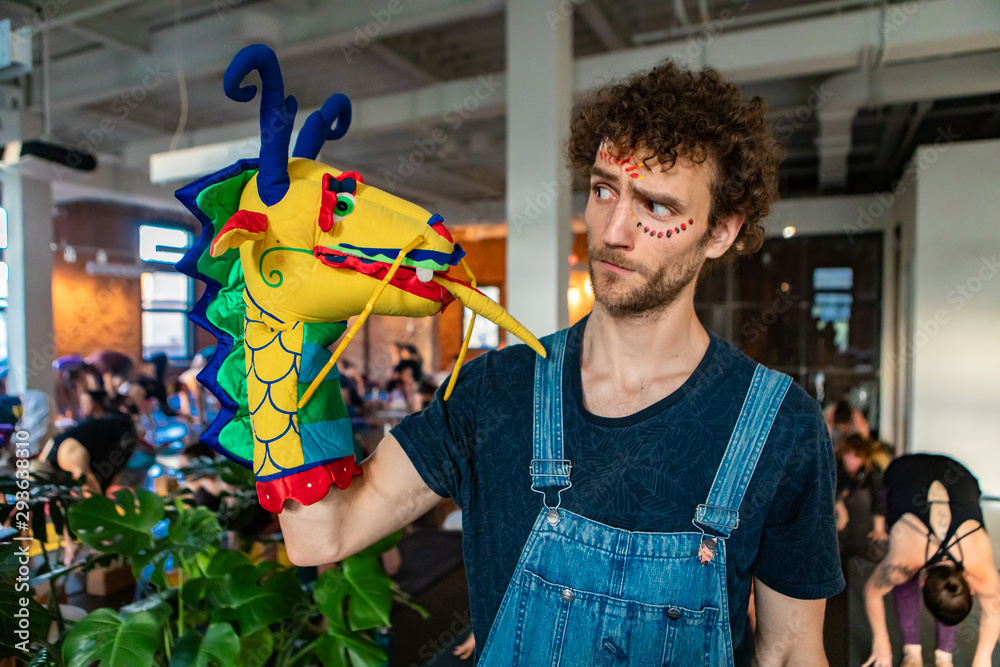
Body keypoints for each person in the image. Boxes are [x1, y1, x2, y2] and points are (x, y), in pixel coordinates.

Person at [278, 62, 843, 665]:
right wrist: (283, 337)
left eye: (654, 206)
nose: (614, 231)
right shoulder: (492, 391)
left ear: (720, 232)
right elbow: (320, 534)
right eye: (604, 189)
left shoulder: (781, 428)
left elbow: (788, 653)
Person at [862, 454, 1000, 667]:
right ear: (922, 581)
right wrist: (881, 644)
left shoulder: (979, 563)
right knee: (902, 580)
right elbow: (872, 591)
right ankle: (912, 653)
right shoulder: (903, 562)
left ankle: (944, 656)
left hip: (959, 473)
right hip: (903, 471)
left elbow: (994, 610)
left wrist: (983, 659)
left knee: (946, 593)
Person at [835, 434, 887, 560]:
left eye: (856, 456)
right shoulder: (836, 464)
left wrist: (879, 529)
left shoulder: (873, 471)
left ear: (864, 458)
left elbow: (878, 499)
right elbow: (829, 488)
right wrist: (840, 507)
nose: (849, 459)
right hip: (841, 518)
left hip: (862, 518)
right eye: (847, 453)